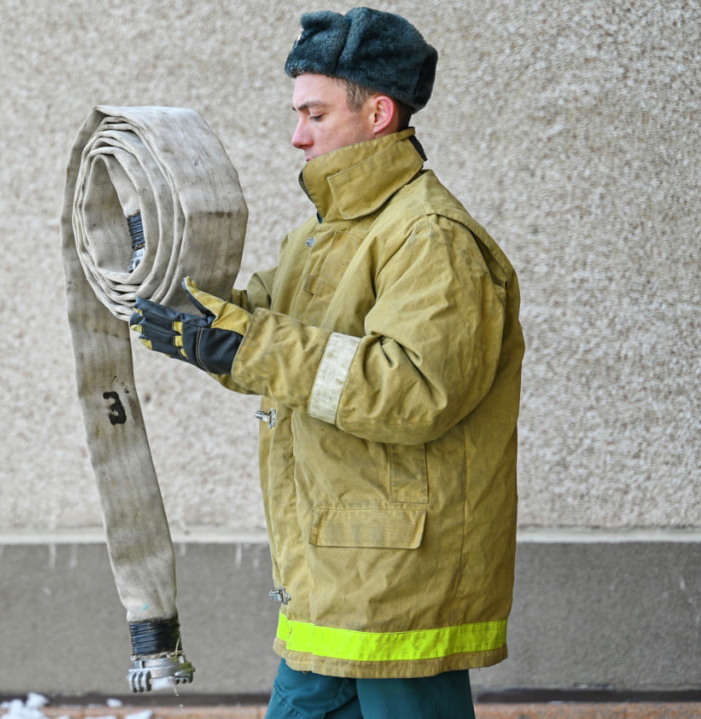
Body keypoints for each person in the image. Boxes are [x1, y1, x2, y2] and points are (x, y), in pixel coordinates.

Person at [131, 8, 524, 718]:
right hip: (331, 578)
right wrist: (169, 283)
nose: (296, 134)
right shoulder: (324, 234)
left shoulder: (429, 237)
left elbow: (413, 389)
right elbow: (264, 327)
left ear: (377, 112)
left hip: (400, 587)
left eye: (314, 112)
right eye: (296, 112)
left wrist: (244, 343)